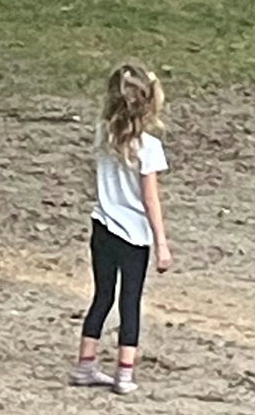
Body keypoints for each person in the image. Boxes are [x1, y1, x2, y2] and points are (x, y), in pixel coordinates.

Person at [71, 63, 173, 394]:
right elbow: (150, 200)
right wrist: (162, 244)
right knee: (130, 301)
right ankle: (124, 372)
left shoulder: (103, 134)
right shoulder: (149, 148)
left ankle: (85, 364)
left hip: (102, 226)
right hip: (134, 235)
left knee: (102, 296)